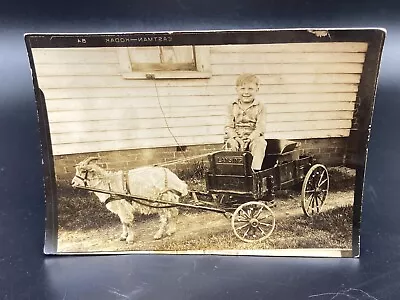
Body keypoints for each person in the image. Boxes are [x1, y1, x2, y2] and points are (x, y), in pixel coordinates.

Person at [225, 73, 267, 171]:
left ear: (257, 90)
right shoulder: (232, 106)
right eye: (242, 89)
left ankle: (254, 172)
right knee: (230, 144)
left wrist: (249, 139)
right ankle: (232, 172)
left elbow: (260, 127)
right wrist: (236, 138)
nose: (246, 92)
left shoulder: (260, 106)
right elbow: (228, 126)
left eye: (250, 89)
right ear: (237, 90)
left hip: (253, 138)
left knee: (260, 143)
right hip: (237, 137)